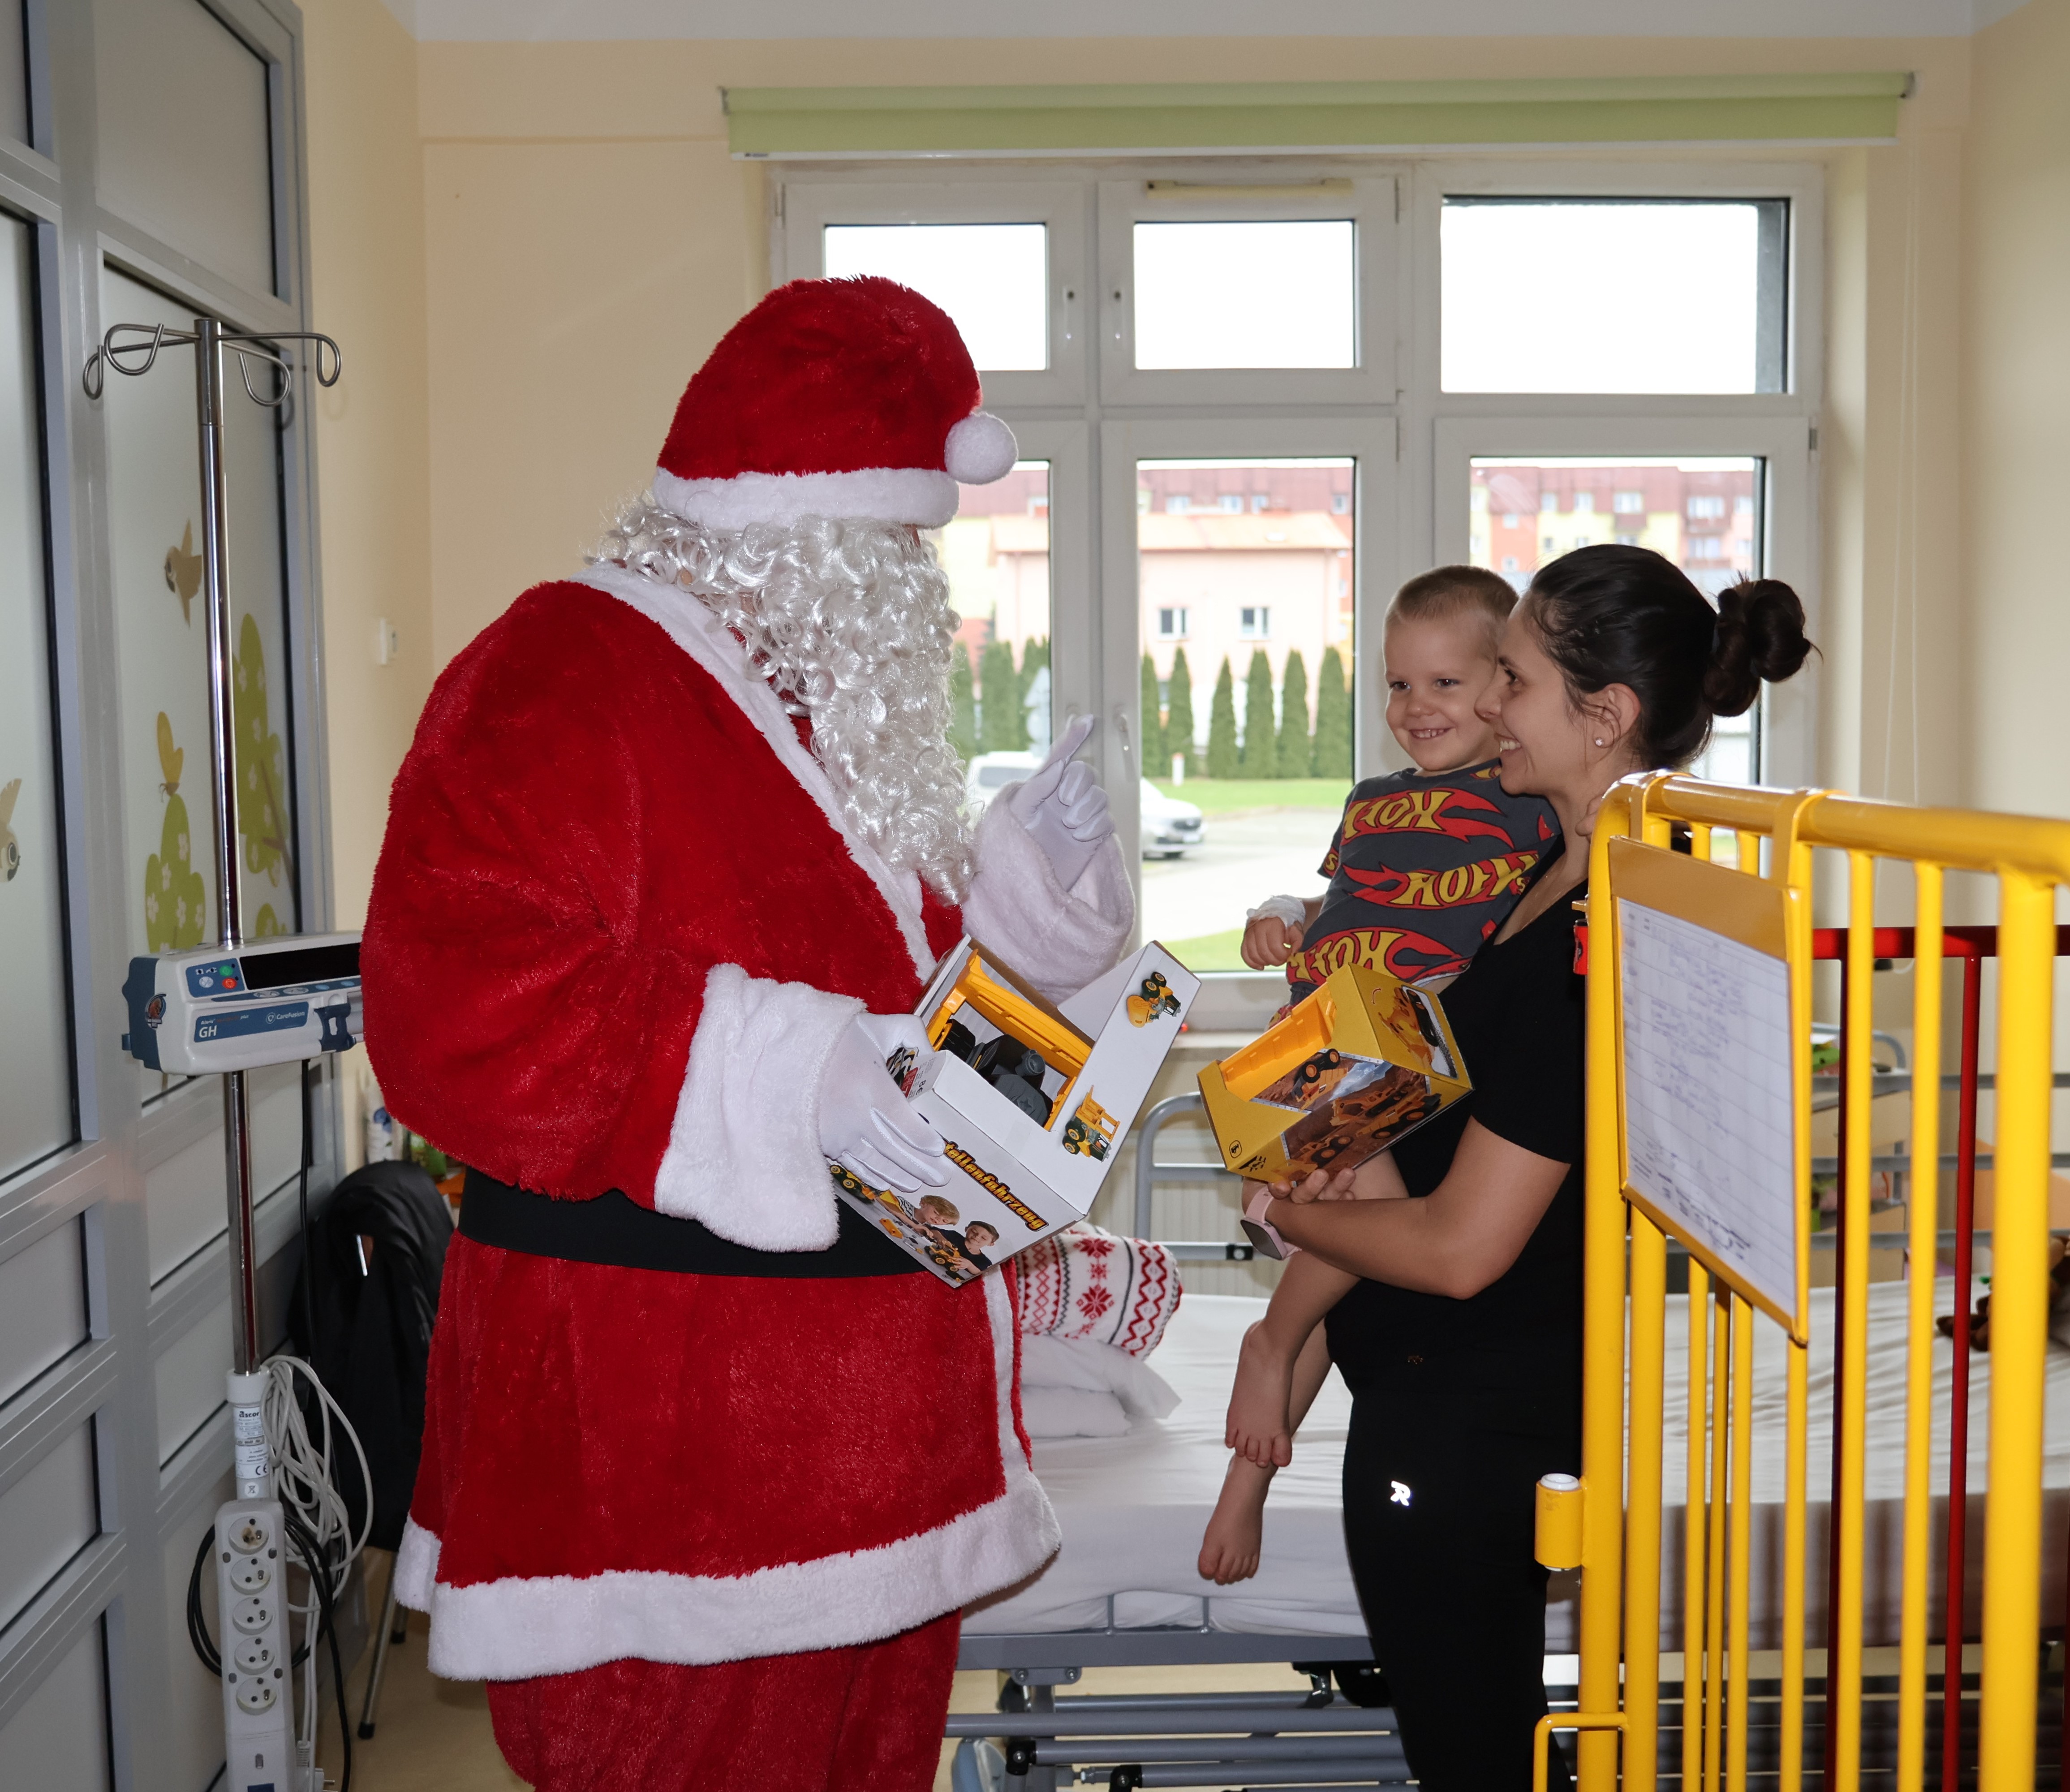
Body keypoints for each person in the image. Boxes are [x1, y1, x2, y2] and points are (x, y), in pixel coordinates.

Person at [361, 277, 1133, 1792]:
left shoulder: (815, 710)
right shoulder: (561, 671)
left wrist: (1020, 902)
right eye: (892, 542)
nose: (912, 584)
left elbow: (892, 1007)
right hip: (679, 1473)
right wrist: (790, 1067)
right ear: (801, 520)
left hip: (882, 1461)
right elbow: (453, 1000)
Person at [1245, 545, 1814, 1792]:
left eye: (1510, 677)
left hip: (1465, 1419)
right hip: (1436, 1395)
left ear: (1602, 717)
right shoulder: (1541, 876)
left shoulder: (1596, 930)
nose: (1486, 704)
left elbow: (1462, 1250)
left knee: (1471, 1762)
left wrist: (1294, 1210)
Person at [1200, 567, 1555, 1584]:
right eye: (1398, 684)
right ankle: (1265, 1387)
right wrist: (1283, 913)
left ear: (1503, 687)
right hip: (1318, 1039)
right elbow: (1345, 901)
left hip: (1405, 1055)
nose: (1414, 707)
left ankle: (1258, 1408)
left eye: (1444, 684)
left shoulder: (1527, 805)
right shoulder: (1372, 802)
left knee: (1346, 1253)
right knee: (1344, 1242)